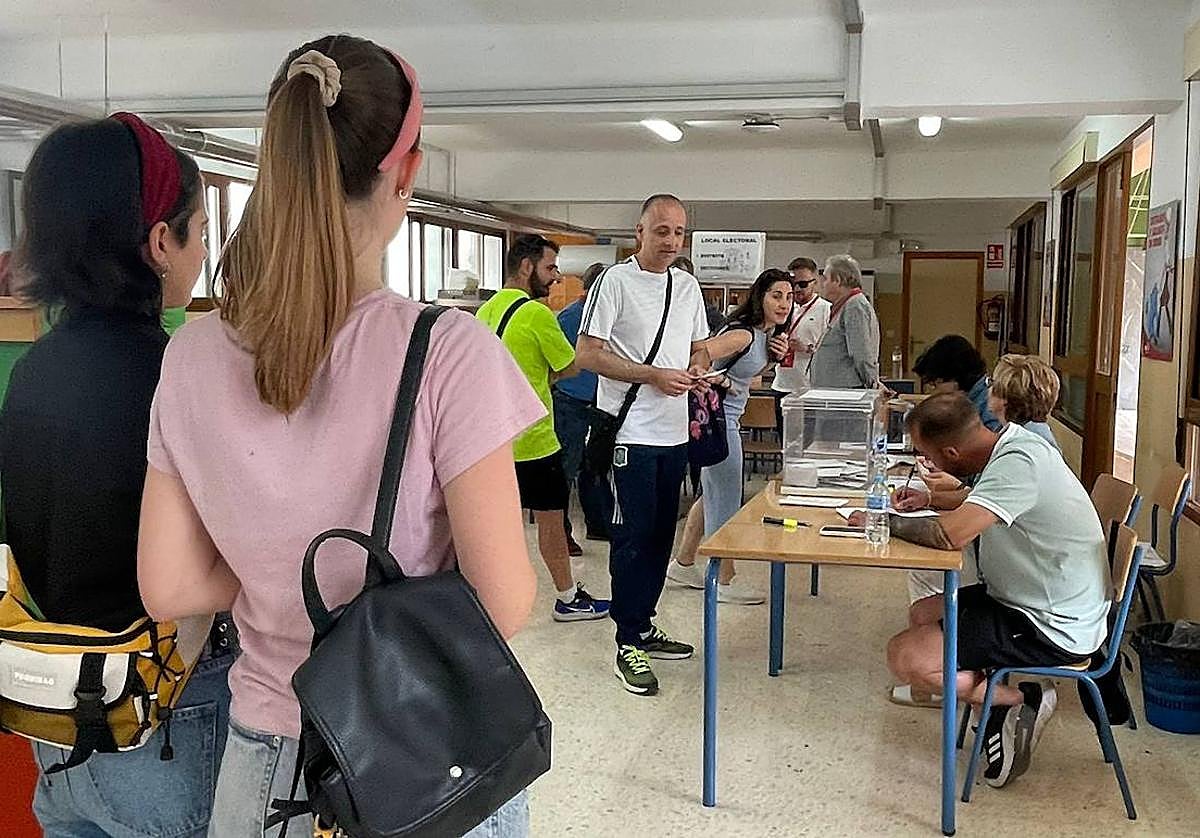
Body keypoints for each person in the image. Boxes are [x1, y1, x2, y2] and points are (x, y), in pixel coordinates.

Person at [134, 36, 541, 837]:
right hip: (417, 758)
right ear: (407, 172)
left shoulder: (192, 353)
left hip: (265, 760)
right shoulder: (448, 351)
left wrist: (266, 577)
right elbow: (504, 599)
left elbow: (170, 587)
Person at [0, 114, 234, 837]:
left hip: (55, 711)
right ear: (161, 242)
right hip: (159, 713)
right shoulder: (177, 375)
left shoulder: (32, 368)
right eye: (199, 230)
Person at [873, 393, 1108, 789]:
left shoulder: (1020, 463)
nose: (926, 463)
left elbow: (950, 535)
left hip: (1050, 623)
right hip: (1027, 597)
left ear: (951, 451)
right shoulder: (1013, 444)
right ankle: (994, 699)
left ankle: (1017, 701)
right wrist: (929, 498)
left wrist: (881, 522)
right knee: (924, 614)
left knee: (906, 657)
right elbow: (977, 499)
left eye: (927, 455)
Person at [576, 193, 711, 696]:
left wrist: (697, 368)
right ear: (639, 232)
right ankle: (626, 640)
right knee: (631, 538)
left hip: (673, 433)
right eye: (661, 231)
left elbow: (697, 343)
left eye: (678, 232)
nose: (671, 241)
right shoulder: (615, 282)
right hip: (629, 433)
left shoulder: (688, 286)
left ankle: (644, 624)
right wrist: (651, 374)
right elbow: (588, 354)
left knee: (659, 536)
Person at [477, 234, 609, 621]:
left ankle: (490, 598)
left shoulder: (485, 311)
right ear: (525, 266)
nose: (555, 277)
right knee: (551, 520)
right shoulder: (536, 314)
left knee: (500, 524)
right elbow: (570, 365)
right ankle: (568, 597)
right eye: (550, 268)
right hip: (533, 439)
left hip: (492, 442)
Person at [668, 268, 793, 604]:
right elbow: (701, 355)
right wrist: (721, 380)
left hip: (729, 420)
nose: (783, 304)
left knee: (713, 493)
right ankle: (724, 579)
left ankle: (684, 562)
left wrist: (773, 359)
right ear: (760, 297)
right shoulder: (744, 335)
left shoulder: (766, 337)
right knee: (726, 498)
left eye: (788, 296)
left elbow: (750, 378)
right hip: (720, 422)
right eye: (775, 296)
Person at [554, 262, 614, 543]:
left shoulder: (603, 316)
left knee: (595, 465)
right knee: (567, 466)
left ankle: (598, 523)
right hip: (570, 401)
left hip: (598, 402)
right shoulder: (570, 317)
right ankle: (561, 531)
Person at [810, 254, 880, 389]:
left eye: (825, 278)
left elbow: (862, 353)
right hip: (834, 392)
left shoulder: (855, 306)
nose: (822, 284)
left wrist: (873, 384)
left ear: (838, 280)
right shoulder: (846, 305)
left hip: (844, 393)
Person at [912, 334, 1002, 431]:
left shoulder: (989, 408)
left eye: (935, 385)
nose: (934, 393)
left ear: (954, 377)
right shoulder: (972, 398)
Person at [772, 257, 831, 398]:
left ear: (815, 282)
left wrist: (806, 348)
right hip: (782, 382)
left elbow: (830, 353)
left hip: (809, 386)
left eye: (803, 284)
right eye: (793, 284)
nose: (797, 289)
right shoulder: (783, 307)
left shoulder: (826, 310)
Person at [988, 354, 1061, 450]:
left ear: (1005, 397)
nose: (988, 388)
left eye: (991, 382)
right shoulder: (1021, 431)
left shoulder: (1027, 445)